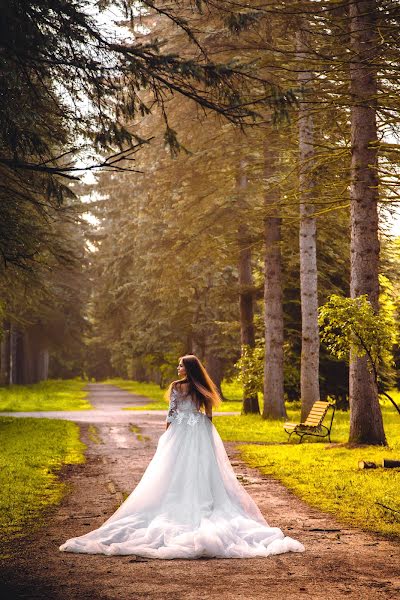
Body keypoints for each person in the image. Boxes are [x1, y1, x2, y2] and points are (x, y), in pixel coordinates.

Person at [59, 354, 305, 559]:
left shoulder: (176, 387)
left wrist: (166, 437)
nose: (177, 368)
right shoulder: (203, 388)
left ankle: (180, 501)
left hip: (181, 432)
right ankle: (201, 500)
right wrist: (205, 435)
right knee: (201, 470)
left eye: (180, 365)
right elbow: (208, 417)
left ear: (187, 368)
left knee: (174, 470)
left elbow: (171, 414)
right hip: (199, 431)